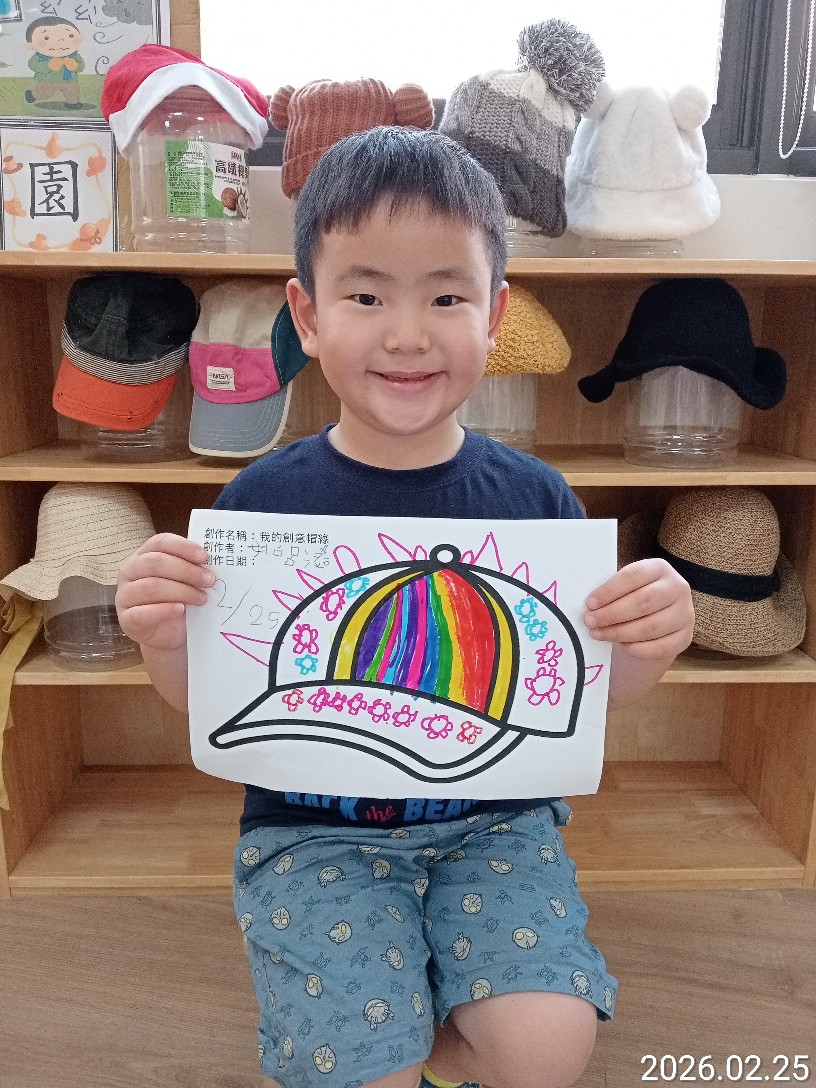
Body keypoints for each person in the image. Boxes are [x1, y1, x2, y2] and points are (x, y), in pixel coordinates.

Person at [116, 126, 694, 1088]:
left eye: (447, 296)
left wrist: (652, 640)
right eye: (367, 295)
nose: (408, 334)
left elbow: (589, 693)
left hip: (495, 823)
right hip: (310, 831)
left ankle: (421, 1017)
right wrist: (164, 635)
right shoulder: (259, 504)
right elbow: (206, 701)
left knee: (548, 1052)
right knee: (366, 1073)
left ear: (495, 313)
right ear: (306, 315)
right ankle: (398, 1018)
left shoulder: (537, 501)